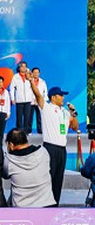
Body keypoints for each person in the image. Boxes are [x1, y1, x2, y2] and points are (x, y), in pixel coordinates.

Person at [28, 75, 79, 206]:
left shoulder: (65, 112)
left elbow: (75, 127)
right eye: (60, 95)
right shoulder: (47, 107)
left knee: (58, 178)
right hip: (50, 148)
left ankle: (55, 204)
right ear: (53, 97)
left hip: (62, 149)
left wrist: (73, 113)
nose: (63, 98)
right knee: (48, 178)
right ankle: (46, 205)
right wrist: (31, 81)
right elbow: (38, 95)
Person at [2, 128, 56, 207]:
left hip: (21, 208)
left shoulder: (9, 160)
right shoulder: (43, 152)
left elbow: (5, 175)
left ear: (11, 145)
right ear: (27, 139)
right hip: (46, 204)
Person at [10, 62, 33, 134]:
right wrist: (12, 98)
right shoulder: (15, 76)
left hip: (28, 100)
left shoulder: (29, 76)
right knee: (19, 117)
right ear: (19, 68)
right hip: (19, 100)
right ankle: (19, 132)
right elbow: (12, 88)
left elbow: (33, 87)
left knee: (27, 117)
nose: (23, 68)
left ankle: (26, 132)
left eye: (25, 66)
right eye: (22, 66)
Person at [29, 67, 48, 134]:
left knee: (40, 116)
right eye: (34, 72)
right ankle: (29, 130)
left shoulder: (43, 82)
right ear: (32, 73)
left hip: (39, 102)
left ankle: (40, 130)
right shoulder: (29, 81)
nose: (36, 74)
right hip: (31, 101)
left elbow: (45, 92)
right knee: (29, 117)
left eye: (37, 72)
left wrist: (42, 100)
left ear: (39, 73)